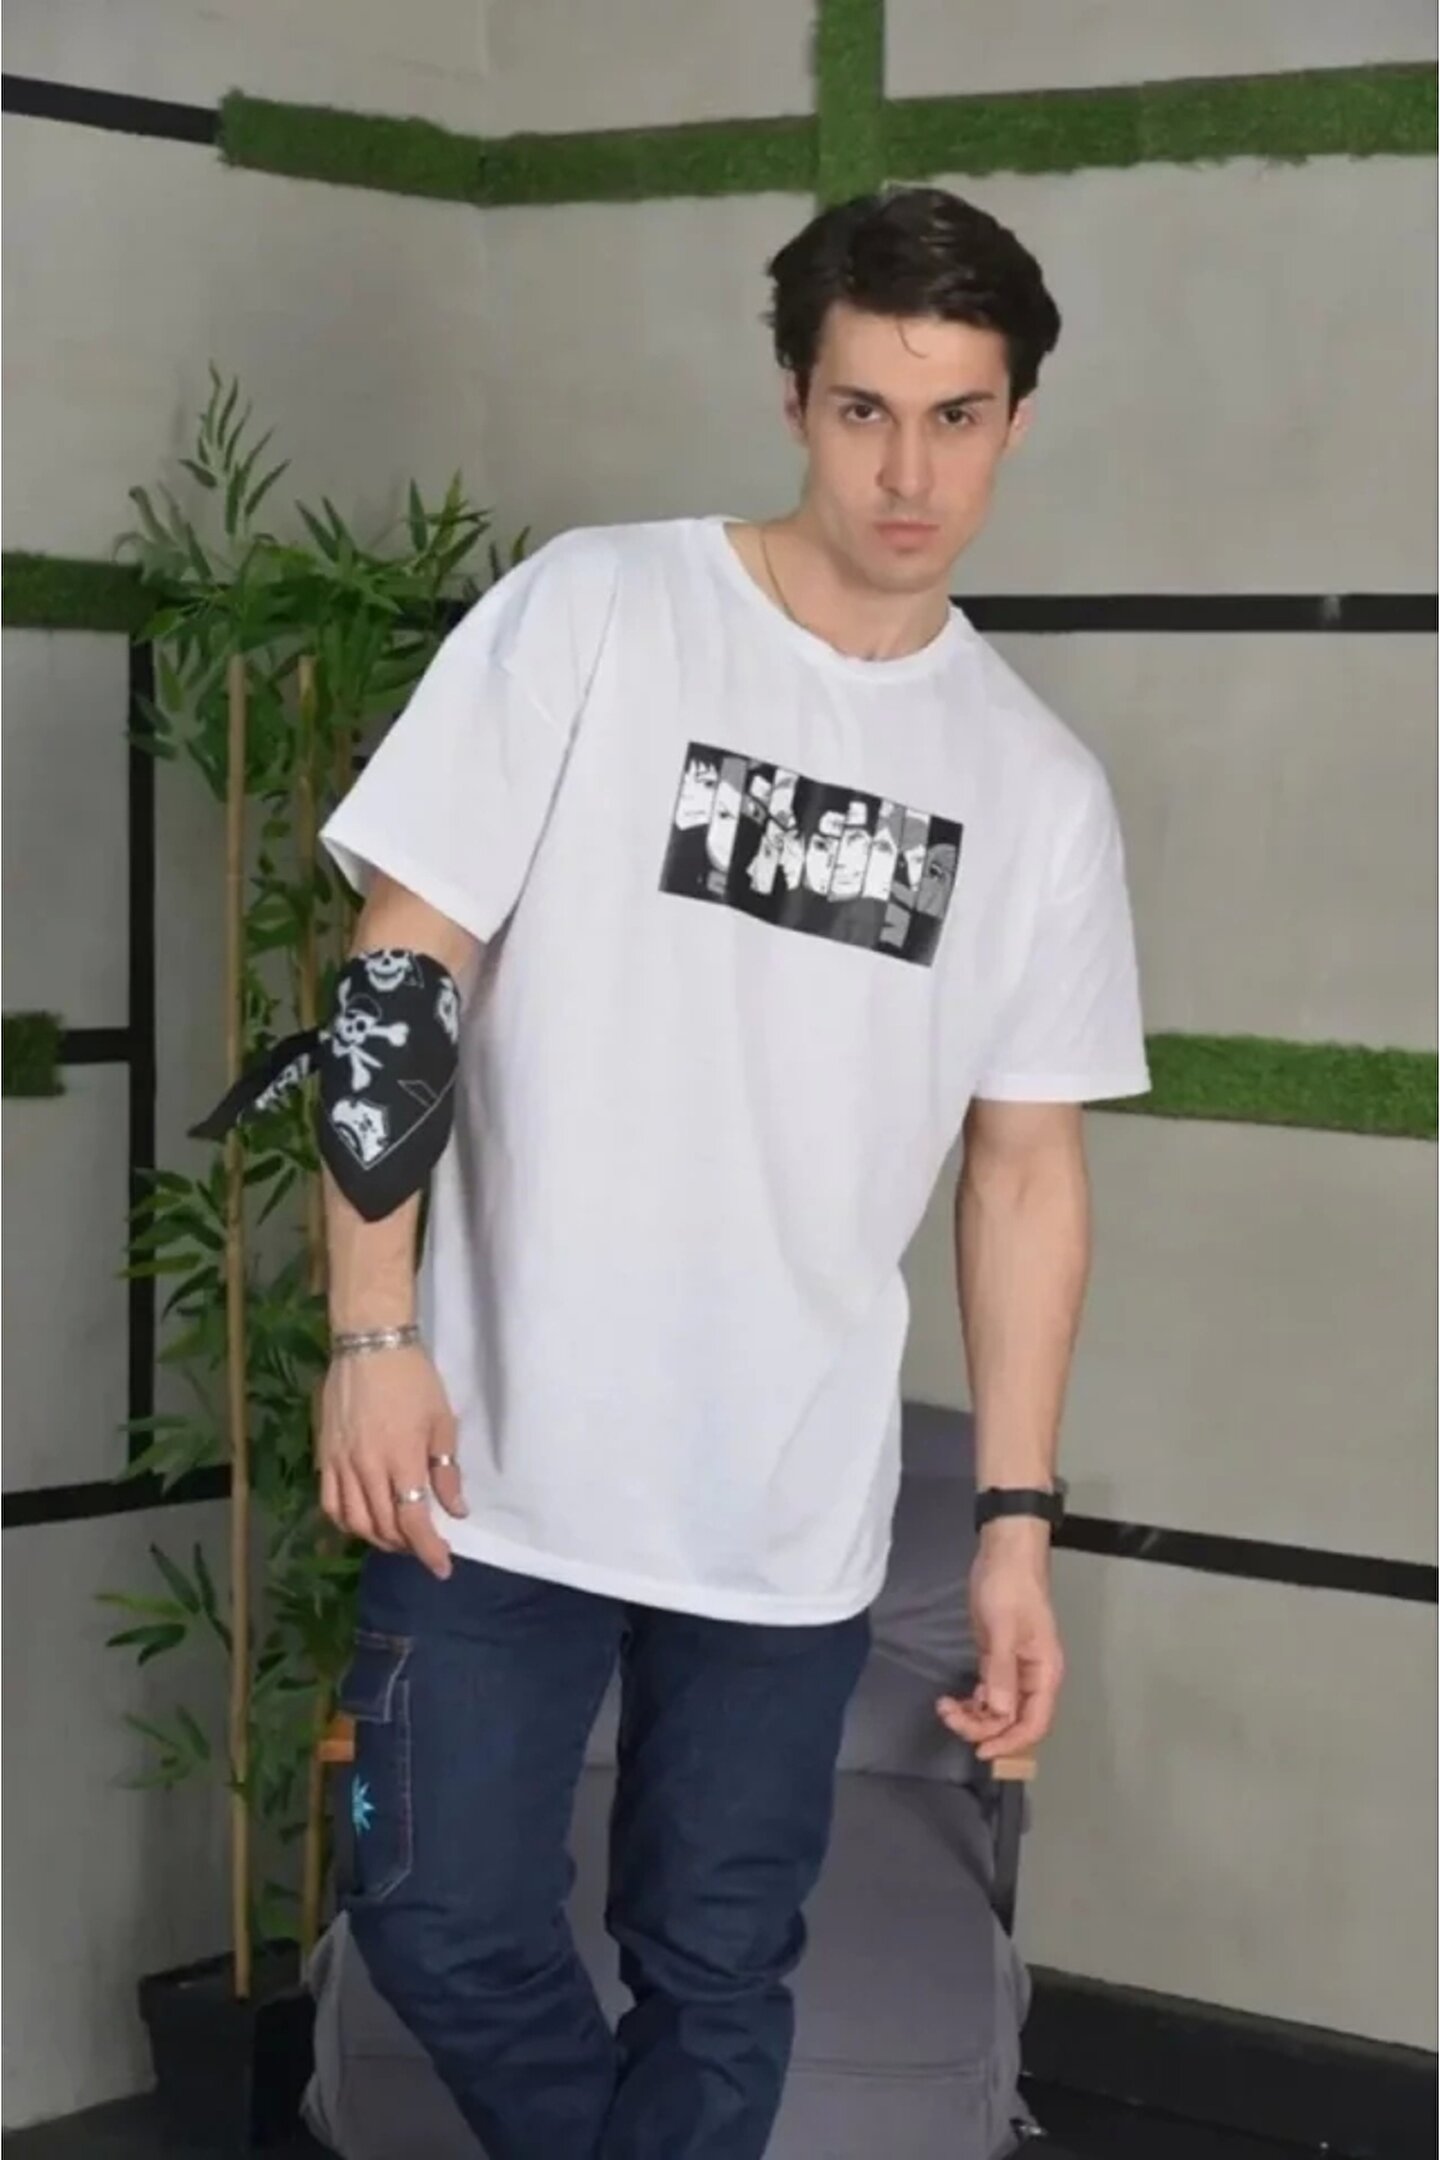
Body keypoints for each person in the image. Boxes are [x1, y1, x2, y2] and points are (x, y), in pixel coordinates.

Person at [314, 185, 1149, 2159]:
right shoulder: (600, 612)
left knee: (717, 1973)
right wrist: (371, 1331)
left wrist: (1014, 1525)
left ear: (1017, 421)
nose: (909, 473)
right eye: (865, 411)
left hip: (785, 1504)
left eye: (956, 418)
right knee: (431, 1911)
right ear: (793, 398)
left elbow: (1025, 1172)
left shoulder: (1036, 790)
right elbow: (403, 971)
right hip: (488, 1461)